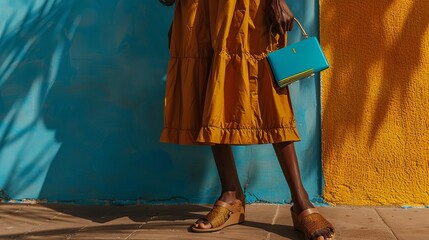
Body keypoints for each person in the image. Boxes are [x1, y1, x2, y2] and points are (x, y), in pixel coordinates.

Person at [159, 0, 335, 239]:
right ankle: (231, 194)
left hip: (246, 6)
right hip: (198, 7)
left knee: (270, 96)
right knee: (210, 86)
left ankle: (301, 201)